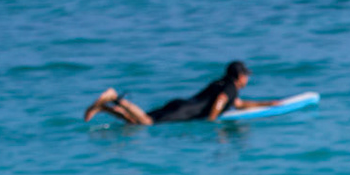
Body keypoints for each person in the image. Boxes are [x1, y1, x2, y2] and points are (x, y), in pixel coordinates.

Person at [83, 62, 275, 126]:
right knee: (147, 123)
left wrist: (269, 103)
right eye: (246, 75)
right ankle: (115, 97)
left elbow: (238, 104)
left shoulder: (220, 82)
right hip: (184, 111)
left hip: (180, 104)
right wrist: (213, 119)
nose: (247, 79)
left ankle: (103, 108)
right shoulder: (231, 88)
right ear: (239, 77)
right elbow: (222, 100)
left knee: (135, 122)